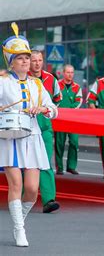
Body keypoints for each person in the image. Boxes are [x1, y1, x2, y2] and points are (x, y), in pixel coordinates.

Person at [1, 23, 58, 246]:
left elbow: (54, 109)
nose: (25, 61)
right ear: (11, 62)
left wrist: (43, 109)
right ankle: (19, 229)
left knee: (33, 190)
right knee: (16, 184)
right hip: (9, 138)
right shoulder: (3, 82)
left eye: (27, 57)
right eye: (20, 58)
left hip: (32, 137)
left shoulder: (37, 84)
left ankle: (19, 222)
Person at [29, 50, 62, 213]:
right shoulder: (22, 79)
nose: (36, 63)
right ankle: (22, 197)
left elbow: (57, 99)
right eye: (33, 60)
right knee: (25, 164)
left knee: (46, 163)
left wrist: (48, 111)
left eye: (39, 60)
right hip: (26, 128)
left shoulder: (51, 79)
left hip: (45, 128)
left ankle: (49, 200)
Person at [55, 65, 82, 175]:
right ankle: (59, 167)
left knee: (74, 142)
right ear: (63, 73)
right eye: (67, 72)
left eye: (72, 72)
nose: (70, 74)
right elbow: (53, 99)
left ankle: (71, 166)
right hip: (60, 119)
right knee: (59, 143)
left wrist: (69, 111)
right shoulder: (57, 85)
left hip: (73, 119)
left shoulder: (77, 87)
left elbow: (79, 101)